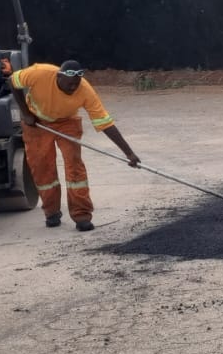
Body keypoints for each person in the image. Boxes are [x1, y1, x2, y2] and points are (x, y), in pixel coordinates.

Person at [10, 60, 140, 232]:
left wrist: (129, 153)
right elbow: (12, 81)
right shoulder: (40, 73)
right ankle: (51, 212)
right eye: (70, 84)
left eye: (76, 84)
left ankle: (82, 215)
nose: (73, 88)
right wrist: (25, 112)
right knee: (42, 168)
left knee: (75, 167)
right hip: (37, 123)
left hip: (67, 122)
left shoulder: (84, 90)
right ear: (59, 77)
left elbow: (105, 123)